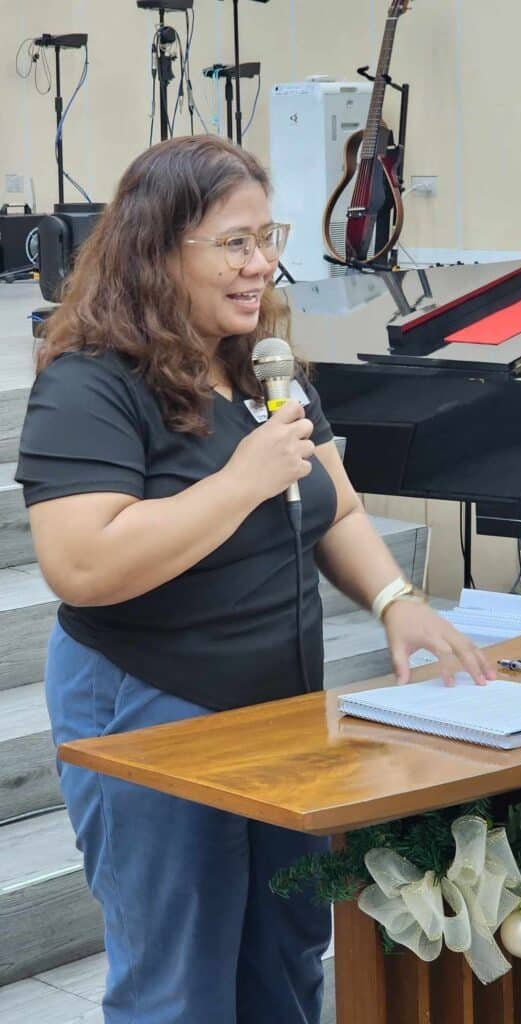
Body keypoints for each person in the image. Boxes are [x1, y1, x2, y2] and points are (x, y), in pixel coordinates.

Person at [16, 135, 493, 1024]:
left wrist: (396, 603)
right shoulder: (90, 383)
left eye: (266, 238)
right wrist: (240, 480)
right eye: (234, 243)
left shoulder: (261, 368)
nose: (262, 264)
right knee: (178, 984)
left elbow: (336, 509)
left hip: (278, 714)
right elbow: (81, 565)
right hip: (150, 706)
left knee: (283, 959)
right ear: (158, 251)